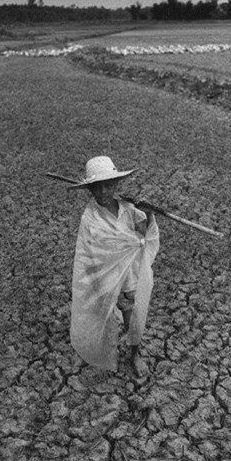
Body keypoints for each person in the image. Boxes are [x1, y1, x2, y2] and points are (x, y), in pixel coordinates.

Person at [70, 156, 160, 377]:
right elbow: (88, 254)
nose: (103, 192)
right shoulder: (89, 218)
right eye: (97, 187)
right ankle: (100, 347)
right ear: (90, 189)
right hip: (104, 277)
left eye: (108, 185)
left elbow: (142, 235)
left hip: (129, 272)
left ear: (116, 184)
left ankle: (135, 354)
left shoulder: (128, 209)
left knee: (133, 317)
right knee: (102, 317)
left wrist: (148, 213)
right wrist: (104, 286)